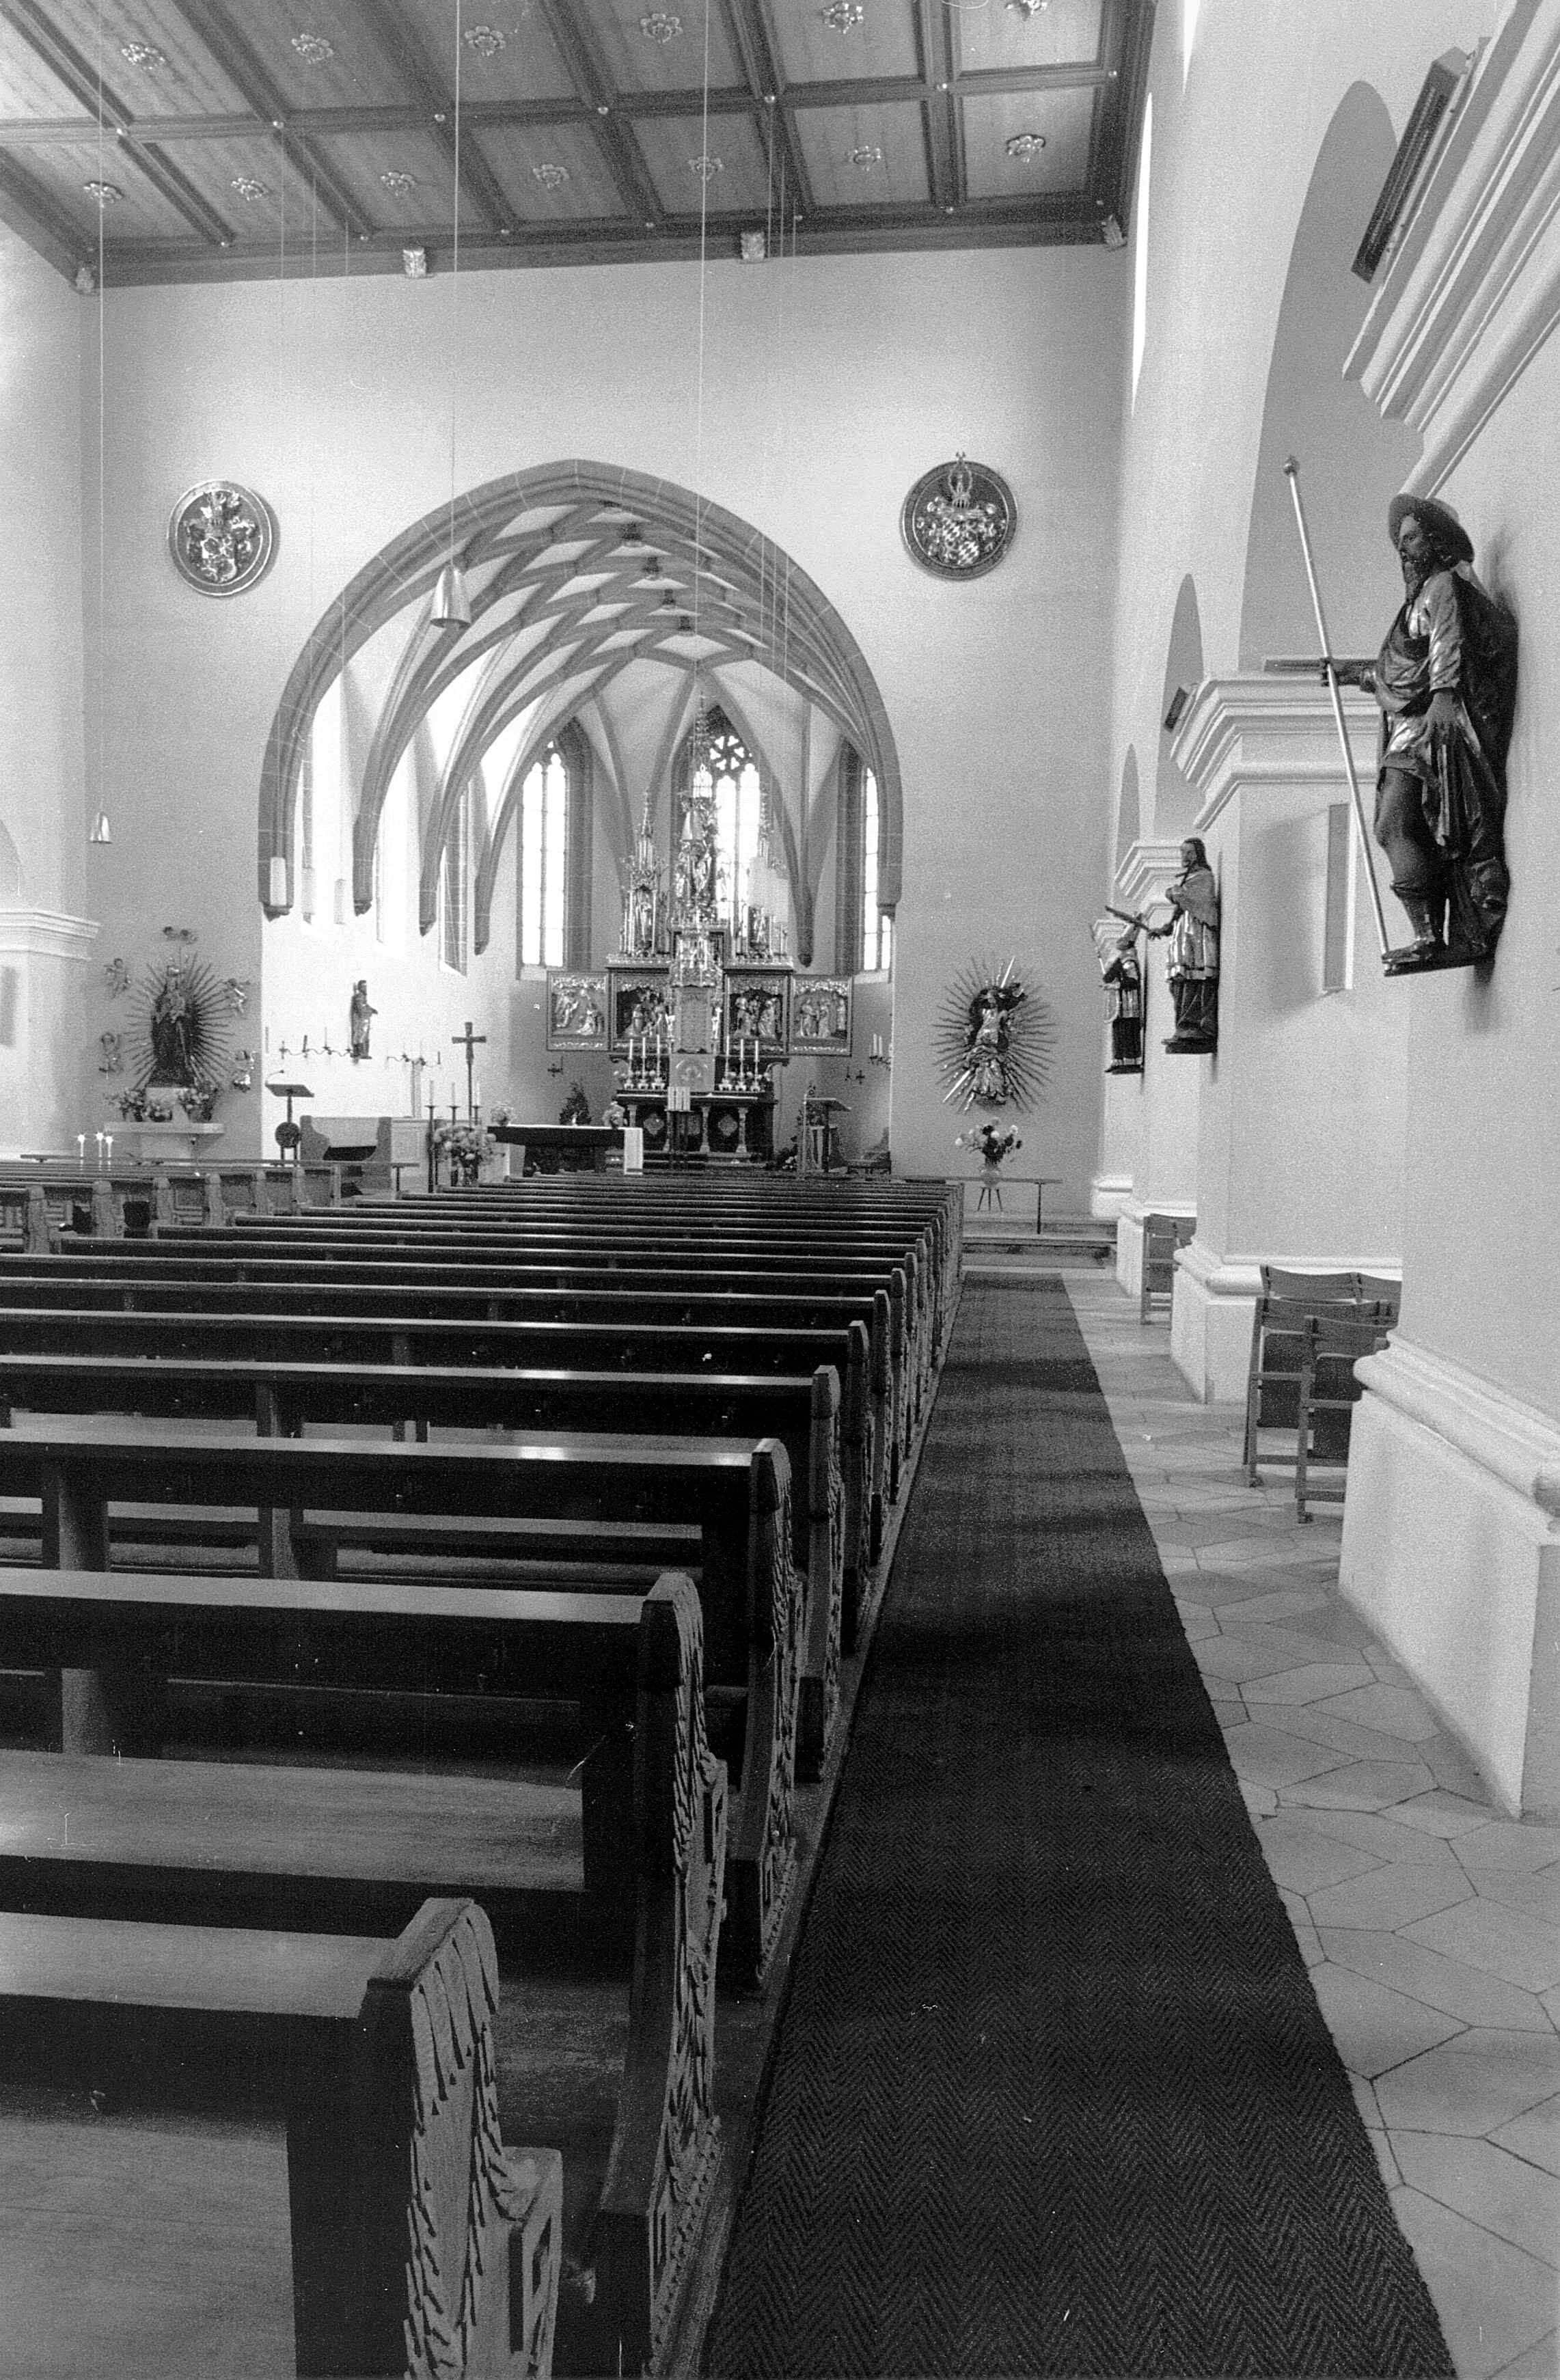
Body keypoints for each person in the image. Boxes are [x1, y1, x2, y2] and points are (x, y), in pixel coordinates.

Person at [1331, 494, 1518, 972]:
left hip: (1427, 727)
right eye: (1399, 541)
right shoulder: (1413, 603)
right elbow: (1401, 673)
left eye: (1410, 537)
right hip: (1410, 726)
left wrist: (1443, 695)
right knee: (1393, 825)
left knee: (1396, 822)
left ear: (1434, 540)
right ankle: (1427, 934)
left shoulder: (1441, 588)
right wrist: (1356, 674)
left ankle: (1430, 936)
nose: (1402, 548)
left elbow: (1445, 646)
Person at [1147, 840, 1219, 1052]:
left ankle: (1196, 1027)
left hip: (1197, 935)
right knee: (1179, 980)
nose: (1184, 856)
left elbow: (1185, 898)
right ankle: (1183, 1026)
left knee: (1196, 979)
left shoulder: (1204, 877)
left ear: (1198, 855)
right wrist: (1165, 928)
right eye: (1182, 852)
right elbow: (1179, 907)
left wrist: (1174, 892)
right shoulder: (1189, 879)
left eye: (1189, 852)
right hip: (1182, 934)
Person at [349, 979, 376, 1061]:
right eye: (364, 987)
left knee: (361, 1034)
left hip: (363, 1018)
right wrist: (367, 1012)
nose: (365, 988)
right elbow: (360, 1008)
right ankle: (360, 1052)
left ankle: (360, 1052)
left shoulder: (362, 996)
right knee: (361, 1034)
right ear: (360, 987)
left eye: (366, 987)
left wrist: (372, 1010)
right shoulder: (359, 996)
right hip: (361, 1019)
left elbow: (365, 1005)